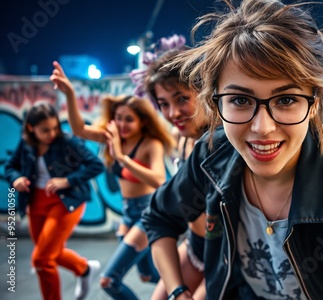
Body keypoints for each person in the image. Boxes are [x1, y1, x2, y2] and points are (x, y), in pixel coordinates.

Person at [142, 0, 323, 299]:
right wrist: (177, 290)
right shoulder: (211, 158)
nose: (262, 127)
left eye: (285, 100)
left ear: (314, 104)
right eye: (240, 100)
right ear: (216, 102)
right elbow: (159, 218)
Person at [50, 61, 176, 299]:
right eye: (118, 118)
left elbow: (159, 178)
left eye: (129, 119)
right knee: (148, 275)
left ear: (142, 122)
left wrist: (121, 157)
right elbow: (79, 129)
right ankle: (189, 287)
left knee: (109, 281)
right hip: (127, 214)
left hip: (148, 213)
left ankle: (189, 286)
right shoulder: (113, 137)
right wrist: (69, 93)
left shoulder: (151, 144)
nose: (121, 125)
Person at [5, 102, 104, 300]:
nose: (52, 133)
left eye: (54, 127)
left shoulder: (66, 142)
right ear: (31, 128)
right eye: (45, 130)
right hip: (35, 203)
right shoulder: (26, 143)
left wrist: (67, 180)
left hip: (67, 203)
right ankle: (84, 269)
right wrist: (15, 178)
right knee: (50, 253)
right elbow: (10, 166)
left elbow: (96, 165)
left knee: (41, 259)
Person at [141, 36, 209, 300]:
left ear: (205, 92)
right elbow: (159, 216)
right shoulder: (181, 138)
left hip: (229, 255)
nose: (173, 113)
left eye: (182, 99)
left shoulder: (224, 144)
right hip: (194, 246)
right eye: (163, 104)